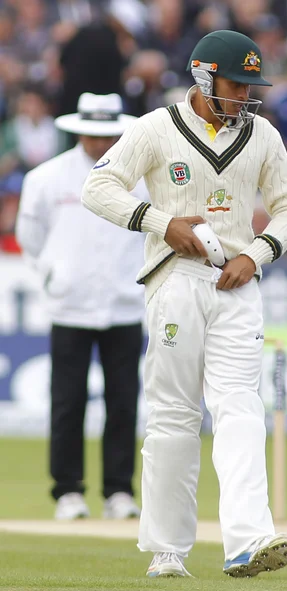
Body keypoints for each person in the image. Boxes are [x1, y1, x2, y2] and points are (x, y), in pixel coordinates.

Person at [82, 30, 287, 577]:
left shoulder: (262, 135)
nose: (244, 96)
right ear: (205, 75)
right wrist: (161, 223)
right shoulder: (157, 127)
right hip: (176, 279)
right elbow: (99, 186)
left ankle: (248, 542)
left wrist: (256, 255)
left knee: (240, 408)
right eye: (236, 84)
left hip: (237, 284)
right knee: (174, 416)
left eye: (251, 86)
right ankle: (167, 550)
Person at [16, 93, 147, 521]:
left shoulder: (142, 179)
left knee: (124, 402)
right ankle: (68, 491)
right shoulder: (46, 177)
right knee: (68, 402)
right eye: (92, 134)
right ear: (78, 131)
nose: (99, 142)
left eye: (107, 133)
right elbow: (30, 238)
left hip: (125, 303)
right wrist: (57, 274)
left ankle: (118, 491)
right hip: (69, 306)